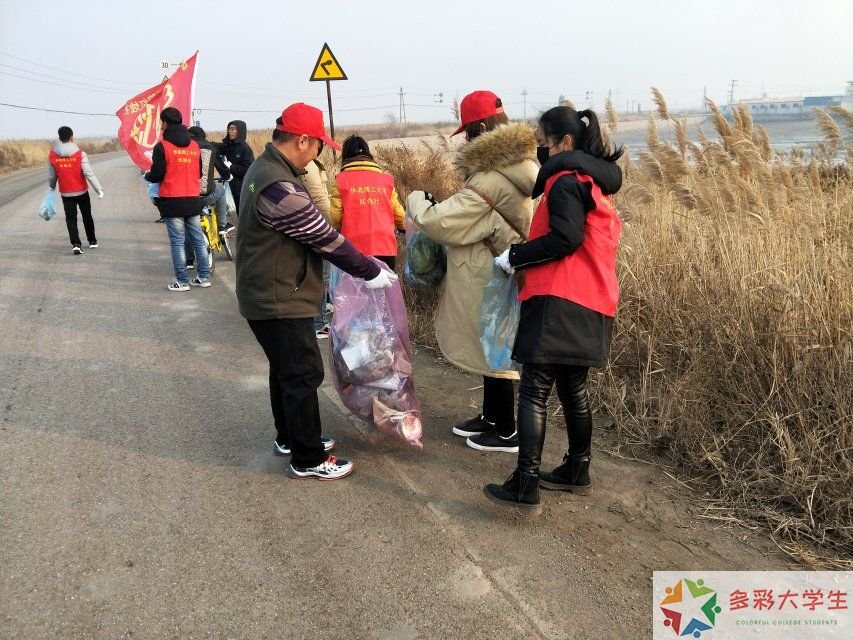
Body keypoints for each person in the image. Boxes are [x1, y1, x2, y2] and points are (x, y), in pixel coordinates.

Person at [236, 103, 397, 481]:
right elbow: (323, 236)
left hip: (267, 291)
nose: (317, 154)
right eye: (318, 146)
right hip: (279, 297)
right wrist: (369, 269)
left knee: (286, 370)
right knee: (303, 373)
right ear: (303, 140)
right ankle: (307, 458)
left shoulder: (267, 169)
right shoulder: (278, 185)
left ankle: (290, 438)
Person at [483, 106, 624, 514]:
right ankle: (577, 470)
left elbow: (565, 238)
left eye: (543, 142)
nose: (540, 151)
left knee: (533, 390)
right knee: (573, 389)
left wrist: (516, 256)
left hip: (558, 298)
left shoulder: (564, 182)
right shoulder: (593, 184)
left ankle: (525, 481)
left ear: (565, 143)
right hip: (592, 300)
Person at [406, 90, 537, 454]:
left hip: (490, 275)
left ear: (481, 127)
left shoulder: (492, 179)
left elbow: (442, 221)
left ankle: (507, 431)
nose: (465, 139)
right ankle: (492, 418)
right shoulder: (520, 168)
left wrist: (417, 199)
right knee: (492, 346)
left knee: (496, 350)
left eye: (468, 131)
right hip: (502, 269)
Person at [143, 107, 211, 291]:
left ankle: (181, 281)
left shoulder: (162, 146)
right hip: (192, 198)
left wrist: (148, 175)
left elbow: (157, 175)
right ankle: (203, 277)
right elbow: (199, 173)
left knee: (177, 242)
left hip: (172, 200)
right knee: (197, 239)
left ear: (164, 123)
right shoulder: (194, 146)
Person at [329, 135, 406, 270]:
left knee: (356, 290)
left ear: (345, 156)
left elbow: (336, 215)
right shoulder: (386, 180)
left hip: (353, 249)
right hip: (385, 246)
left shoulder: (341, 180)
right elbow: (398, 211)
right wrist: (402, 228)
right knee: (384, 289)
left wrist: (338, 232)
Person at [48, 126, 104, 255]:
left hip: (66, 193)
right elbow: (88, 173)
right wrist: (98, 189)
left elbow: (52, 175)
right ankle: (92, 241)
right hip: (82, 191)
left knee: (70, 218)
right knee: (87, 216)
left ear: (60, 138)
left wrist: (51, 187)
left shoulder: (53, 155)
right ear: (72, 137)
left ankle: (76, 244)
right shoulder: (80, 154)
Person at [300, 142, 333, 339]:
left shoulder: (304, 163)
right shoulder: (309, 166)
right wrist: (333, 227)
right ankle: (319, 323)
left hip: (310, 224)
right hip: (318, 225)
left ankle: (316, 317)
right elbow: (319, 198)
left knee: (318, 275)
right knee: (321, 275)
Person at [189, 126, 233, 232]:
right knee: (220, 190)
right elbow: (222, 169)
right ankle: (222, 225)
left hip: (184, 197)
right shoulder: (210, 148)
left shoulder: (183, 148)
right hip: (204, 195)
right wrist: (227, 176)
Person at [218, 120, 254, 217]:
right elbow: (216, 147)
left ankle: (246, 231)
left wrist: (231, 167)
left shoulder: (244, 148)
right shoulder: (229, 145)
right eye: (229, 129)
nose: (230, 131)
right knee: (237, 212)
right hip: (231, 185)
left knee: (243, 213)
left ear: (240, 131)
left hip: (242, 187)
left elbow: (248, 169)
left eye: (233, 129)